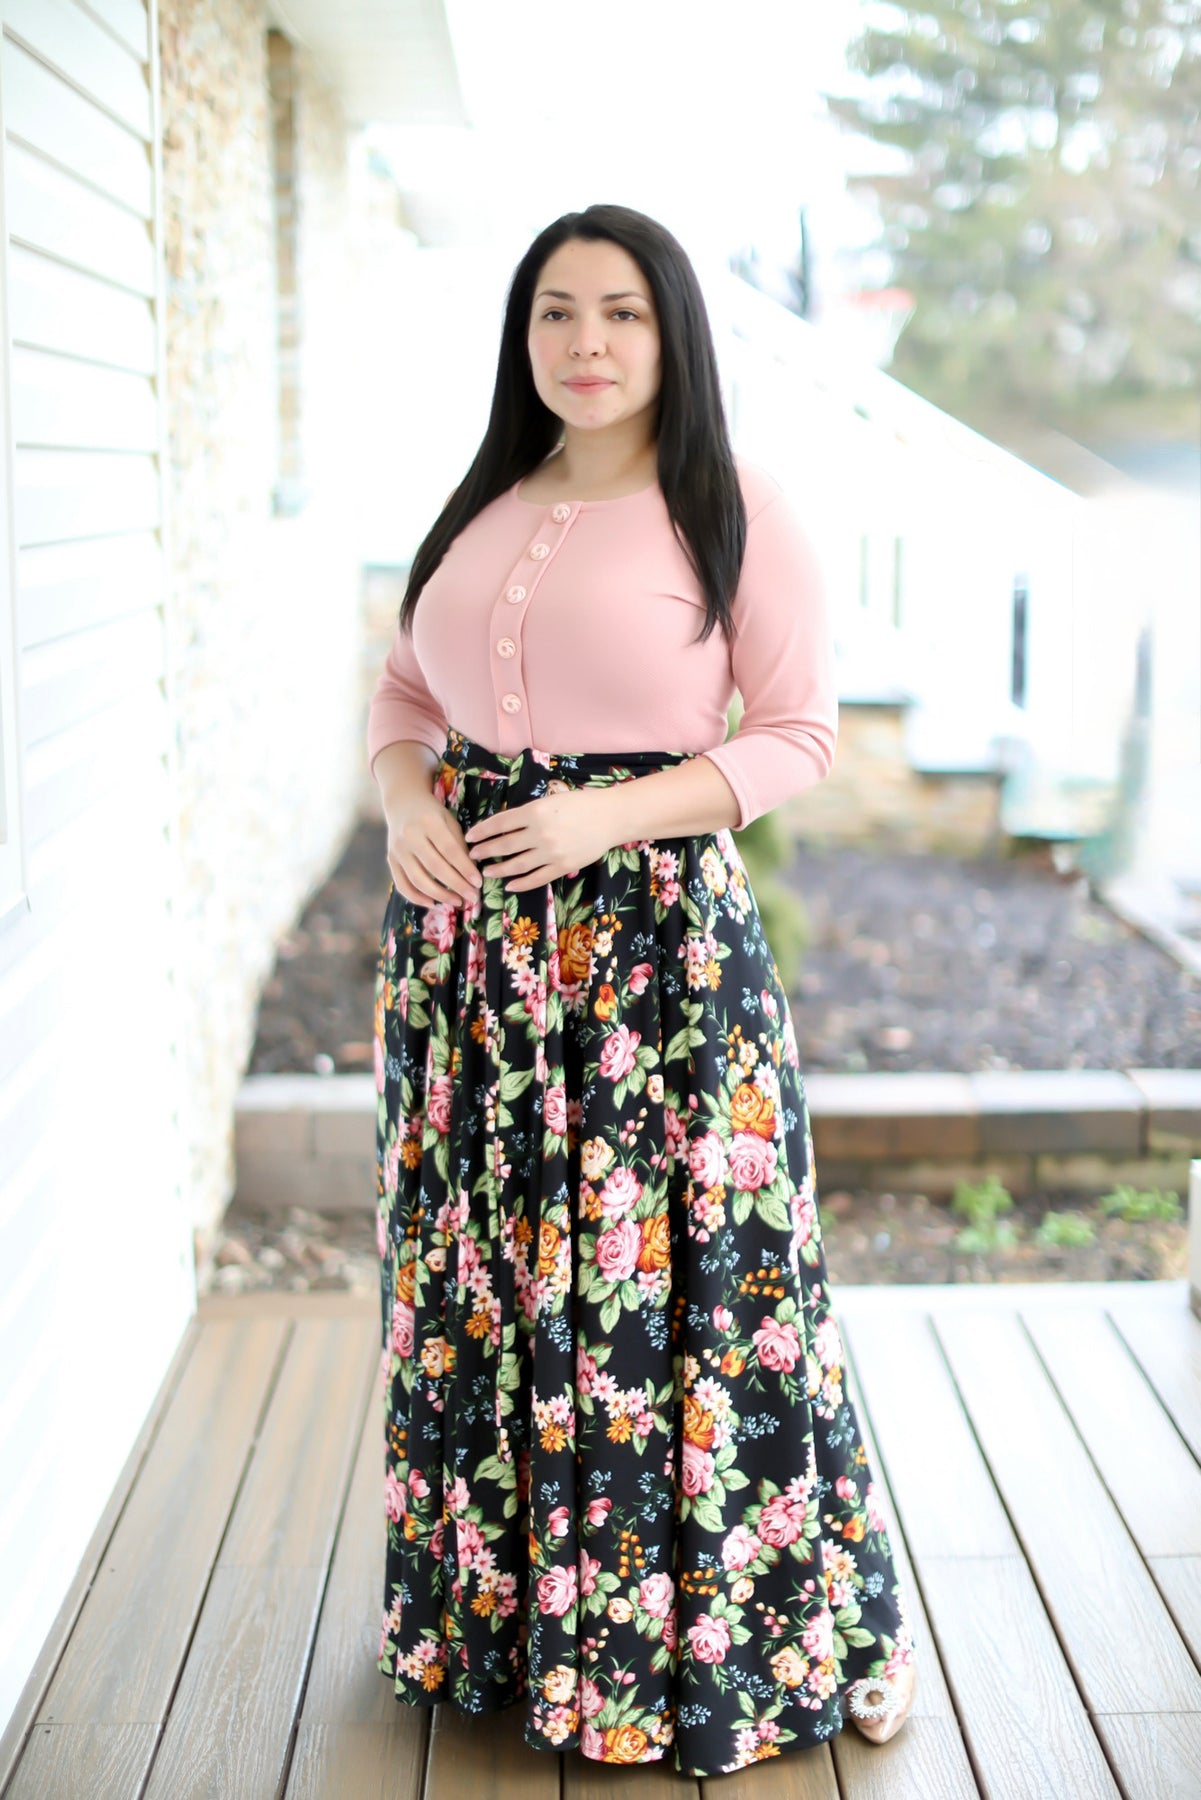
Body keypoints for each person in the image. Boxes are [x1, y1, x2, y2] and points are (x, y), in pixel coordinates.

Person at [368, 202, 917, 1778]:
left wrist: (605, 817)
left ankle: (759, 1642)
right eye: (555, 311)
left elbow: (798, 733)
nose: (586, 342)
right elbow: (405, 689)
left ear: (672, 332)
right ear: (521, 335)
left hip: (653, 965)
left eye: (620, 312)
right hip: (473, 972)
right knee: (488, 1283)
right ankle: (508, 1633)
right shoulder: (489, 496)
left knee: (687, 1296)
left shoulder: (731, 503)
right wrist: (406, 800)